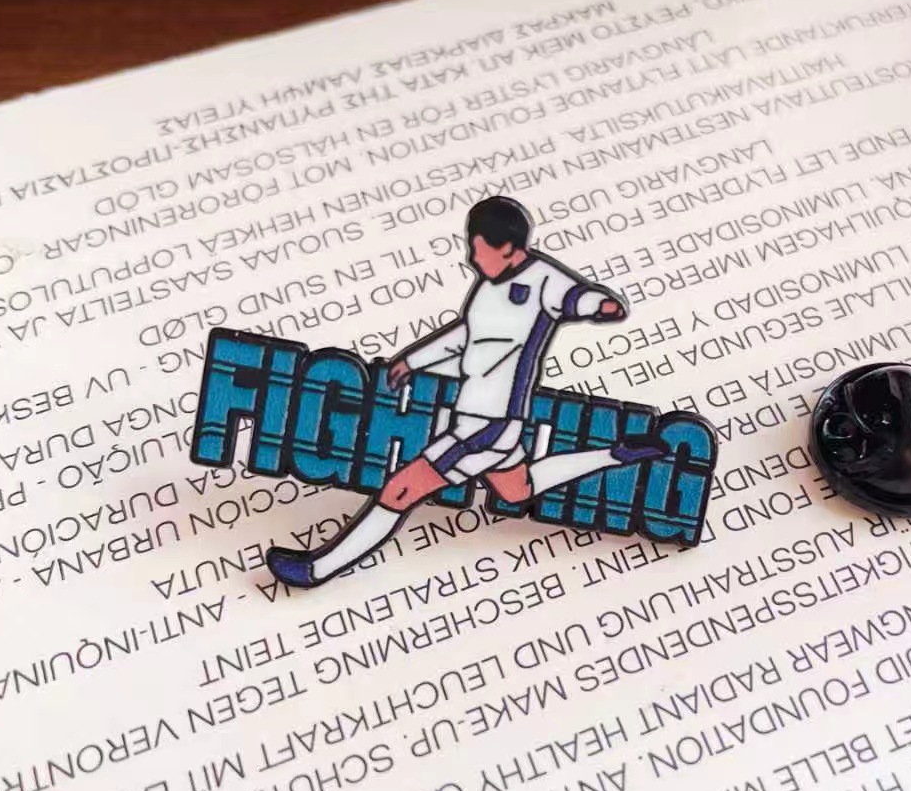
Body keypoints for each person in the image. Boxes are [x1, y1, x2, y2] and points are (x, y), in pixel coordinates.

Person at [266, 196, 666, 588]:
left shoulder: (544, 279)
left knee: (400, 489)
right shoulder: (487, 287)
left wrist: (603, 305)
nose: (472, 259)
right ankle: (616, 454)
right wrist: (413, 361)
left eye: (478, 249)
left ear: (507, 249)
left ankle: (318, 568)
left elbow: (577, 298)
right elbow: (467, 334)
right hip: (478, 412)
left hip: (490, 422)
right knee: (517, 490)